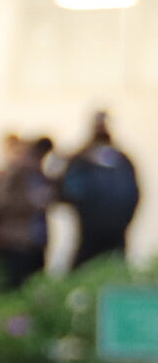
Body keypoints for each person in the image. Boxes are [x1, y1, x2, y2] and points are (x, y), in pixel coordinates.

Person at [61, 111, 141, 272]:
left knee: (116, 271)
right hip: (90, 229)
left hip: (116, 228)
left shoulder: (121, 160)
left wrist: (124, 219)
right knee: (83, 269)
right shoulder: (81, 159)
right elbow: (70, 190)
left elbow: (133, 192)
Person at [0, 133, 56, 291]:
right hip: (12, 246)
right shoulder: (6, 177)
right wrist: (31, 204)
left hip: (35, 246)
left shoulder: (38, 177)